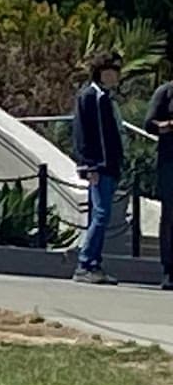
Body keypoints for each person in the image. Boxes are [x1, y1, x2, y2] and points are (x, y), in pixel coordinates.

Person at [72, 52, 124, 284]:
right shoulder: (91, 96)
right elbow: (84, 134)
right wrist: (89, 164)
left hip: (109, 165)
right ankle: (85, 263)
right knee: (101, 214)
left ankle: (95, 262)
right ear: (102, 72)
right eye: (113, 70)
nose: (116, 76)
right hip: (98, 166)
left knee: (99, 214)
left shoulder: (106, 98)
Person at [145, 75, 173, 291]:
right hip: (169, 164)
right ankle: (169, 270)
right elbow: (150, 123)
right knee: (170, 217)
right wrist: (169, 125)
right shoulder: (165, 92)